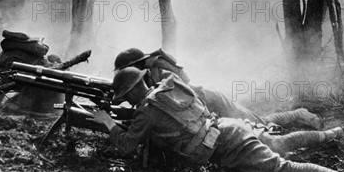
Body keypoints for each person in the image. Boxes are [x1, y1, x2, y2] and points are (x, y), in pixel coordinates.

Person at [93, 68, 344, 172]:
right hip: (226, 127)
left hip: (225, 143)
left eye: (126, 96)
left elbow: (127, 146)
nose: (127, 101)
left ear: (131, 92)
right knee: (279, 144)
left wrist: (107, 122)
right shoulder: (167, 88)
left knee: (282, 170)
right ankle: (332, 134)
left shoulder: (146, 112)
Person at [113, 48, 322, 130]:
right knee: (254, 124)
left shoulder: (157, 66)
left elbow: (184, 81)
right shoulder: (144, 78)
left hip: (209, 100)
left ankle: (300, 114)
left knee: (259, 122)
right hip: (202, 109)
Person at [0, 30, 63, 113]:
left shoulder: (6, 62)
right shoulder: (3, 61)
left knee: (14, 109)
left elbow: (29, 81)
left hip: (50, 86)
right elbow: (3, 84)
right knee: (9, 106)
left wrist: (19, 105)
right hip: (44, 85)